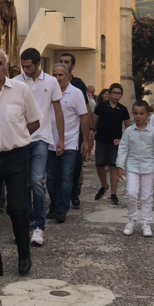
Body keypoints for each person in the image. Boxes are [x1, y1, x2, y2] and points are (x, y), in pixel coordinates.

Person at [0, 48, 40, 281]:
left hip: (16, 157)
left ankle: (24, 255)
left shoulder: (21, 91)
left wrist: (17, 136)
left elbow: (34, 121)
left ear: (6, 66)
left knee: (18, 207)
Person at [18, 48, 64, 247]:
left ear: (38, 64)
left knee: (37, 180)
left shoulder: (51, 82)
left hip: (42, 138)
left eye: (28, 66)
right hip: (21, 139)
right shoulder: (17, 81)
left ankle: (38, 225)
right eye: (23, 66)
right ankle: (26, 224)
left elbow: (58, 111)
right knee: (23, 184)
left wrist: (60, 138)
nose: (25, 69)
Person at [48, 63, 91, 223]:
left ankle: (62, 208)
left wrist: (85, 140)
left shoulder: (76, 93)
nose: (57, 78)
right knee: (51, 178)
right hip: (50, 141)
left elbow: (84, 117)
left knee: (66, 177)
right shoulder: (49, 92)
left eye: (60, 75)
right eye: (54, 75)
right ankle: (55, 204)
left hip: (71, 142)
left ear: (67, 76)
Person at [117, 101, 154, 237]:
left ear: (148, 115)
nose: (138, 117)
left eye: (141, 114)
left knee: (146, 197)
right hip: (132, 166)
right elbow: (123, 148)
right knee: (131, 193)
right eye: (136, 114)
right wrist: (120, 166)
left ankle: (146, 223)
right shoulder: (128, 131)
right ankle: (131, 220)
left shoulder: (153, 132)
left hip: (148, 168)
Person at [59, 52, 90, 209]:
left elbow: (85, 109)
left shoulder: (78, 84)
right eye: (61, 61)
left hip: (74, 132)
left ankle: (73, 193)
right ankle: (59, 200)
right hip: (56, 134)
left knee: (75, 165)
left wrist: (89, 131)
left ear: (73, 65)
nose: (64, 63)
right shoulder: (53, 83)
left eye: (67, 61)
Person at [92, 83, 131, 205]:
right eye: (114, 93)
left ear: (121, 95)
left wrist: (124, 140)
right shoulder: (101, 107)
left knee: (114, 166)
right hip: (101, 140)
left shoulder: (123, 109)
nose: (116, 95)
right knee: (99, 164)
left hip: (115, 142)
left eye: (118, 93)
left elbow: (128, 127)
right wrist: (91, 133)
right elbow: (94, 122)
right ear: (109, 94)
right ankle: (104, 185)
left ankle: (113, 193)